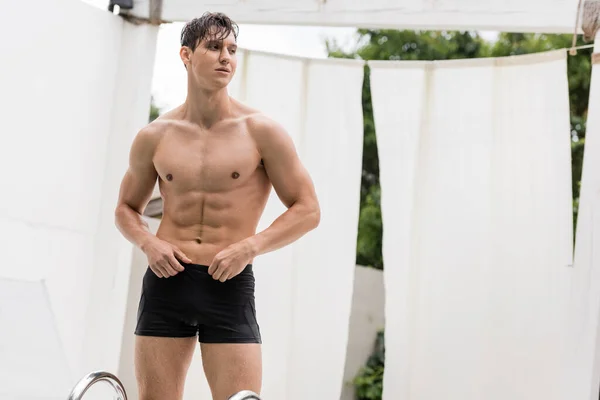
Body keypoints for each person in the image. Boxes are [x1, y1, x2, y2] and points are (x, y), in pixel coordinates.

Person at [114, 12, 320, 400]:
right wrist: (148, 243)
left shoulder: (261, 130)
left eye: (232, 49)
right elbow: (125, 208)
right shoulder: (155, 136)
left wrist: (251, 246)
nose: (226, 57)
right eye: (214, 47)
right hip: (167, 282)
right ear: (186, 55)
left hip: (229, 283)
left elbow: (308, 209)